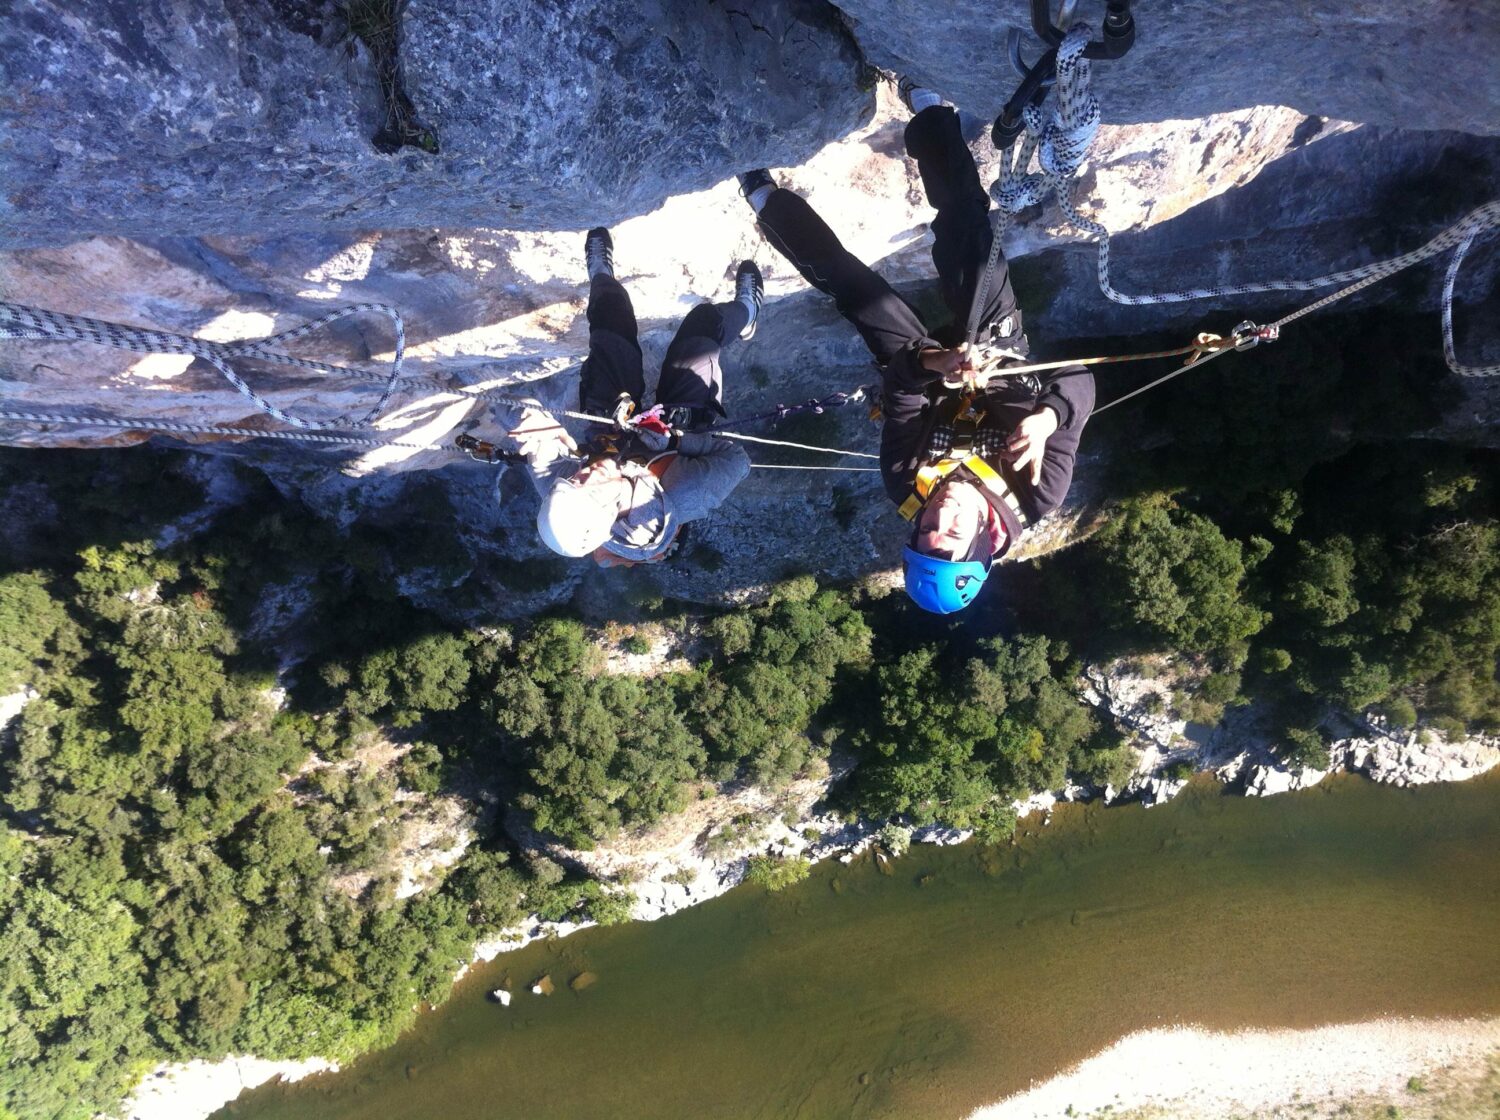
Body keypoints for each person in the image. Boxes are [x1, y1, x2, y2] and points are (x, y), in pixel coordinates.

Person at [736, 82, 1094, 614]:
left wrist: (935, 363)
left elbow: (901, 396)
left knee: (859, 292)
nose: (939, 514)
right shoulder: (1039, 491)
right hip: (1003, 362)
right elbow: (1078, 381)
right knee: (970, 243)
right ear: (982, 543)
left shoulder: (905, 485)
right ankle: (929, 111)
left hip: (924, 376)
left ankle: (763, 198)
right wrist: (1045, 420)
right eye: (950, 533)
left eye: (926, 528)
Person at [510, 228, 761, 566]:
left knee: (610, 330)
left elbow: (521, 421)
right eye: (585, 482)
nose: (581, 473)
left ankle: (601, 275)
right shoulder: (688, 491)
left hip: (612, 430)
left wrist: (528, 420)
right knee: (700, 331)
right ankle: (746, 311)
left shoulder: (563, 494)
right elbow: (737, 461)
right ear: (608, 510)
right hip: (679, 435)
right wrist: (680, 440)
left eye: (574, 477)